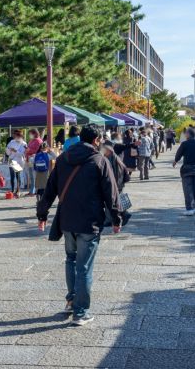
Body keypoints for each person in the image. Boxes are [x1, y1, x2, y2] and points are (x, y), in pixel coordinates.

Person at [37, 125, 121, 326]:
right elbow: (111, 192)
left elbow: (50, 189)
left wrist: (42, 214)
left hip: (67, 219)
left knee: (71, 260)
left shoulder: (64, 158)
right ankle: (80, 312)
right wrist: (116, 219)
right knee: (84, 266)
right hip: (89, 221)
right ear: (96, 141)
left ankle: (71, 300)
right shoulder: (99, 160)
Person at [173, 128, 195, 216]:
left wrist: (175, 161)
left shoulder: (184, 144)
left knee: (188, 189)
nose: (185, 135)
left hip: (187, 169)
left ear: (188, 134)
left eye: (186, 134)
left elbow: (179, 153)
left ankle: (189, 208)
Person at [6, 129, 27, 197]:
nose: (16, 137)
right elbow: (7, 151)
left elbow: (23, 154)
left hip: (18, 161)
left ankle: (18, 190)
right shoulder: (12, 142)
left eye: (18, 136)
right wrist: (9, 151)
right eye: (16, 136)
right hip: (11, 160)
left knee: (18, 176)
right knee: (12, 176)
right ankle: (12, 190)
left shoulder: (24, 144)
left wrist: (15, 151)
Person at [25, 129, 43, 196]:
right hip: (29, 160)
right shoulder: (31, 141)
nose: (30, 135)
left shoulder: (38, 141)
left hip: (35, 160)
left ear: (35, 133)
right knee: (31, 177)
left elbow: (38, 151)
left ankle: (35, 191)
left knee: (35, 176)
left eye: (30, 134)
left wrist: (29, 150)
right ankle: (32, 190)